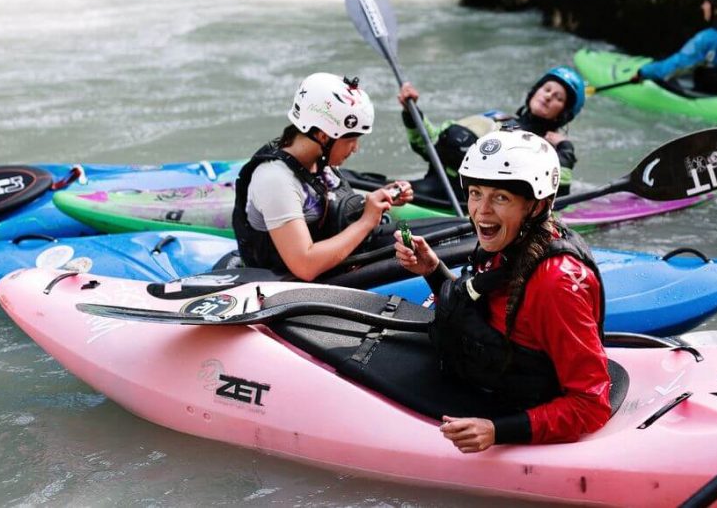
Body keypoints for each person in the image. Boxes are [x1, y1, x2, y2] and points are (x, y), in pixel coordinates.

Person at [393, 129, 610, 452]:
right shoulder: (512, 241)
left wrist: (498, 431)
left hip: (516, 406)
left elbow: (591, 404)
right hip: (484, 374)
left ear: (536, 206)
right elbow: (481, 308)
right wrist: (433, 270)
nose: (481, 211)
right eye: (476, 193)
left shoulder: (557, 283)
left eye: (500, 197)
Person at [231, 72, 415, 281]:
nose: (355, 148)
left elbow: (332, 208)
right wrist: (366, 222)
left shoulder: (318, 161)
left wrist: (377, 200)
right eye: (352, 139)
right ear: (322, 135)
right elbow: (305, 265)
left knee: (444, 237)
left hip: (342, 264)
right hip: (295, 286)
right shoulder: (275, 180)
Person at [397, 65, 585, 198]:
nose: (549, 96)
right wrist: (412, 111)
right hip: (434, 187)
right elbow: (428, 143)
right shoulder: (496, 118)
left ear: (563, 114)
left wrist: (565, 149)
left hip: (469, 202)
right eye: (547, 89)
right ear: (534, 91)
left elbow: (557, 196)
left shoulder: (548, 146)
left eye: (558, 98)